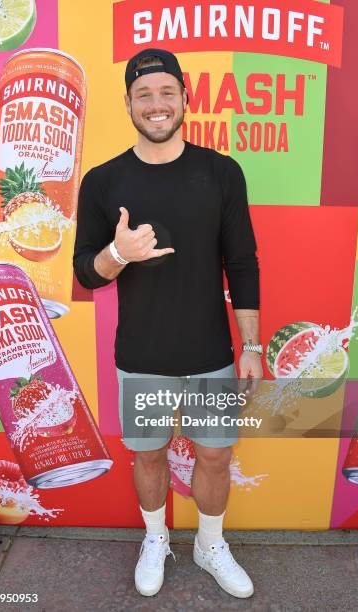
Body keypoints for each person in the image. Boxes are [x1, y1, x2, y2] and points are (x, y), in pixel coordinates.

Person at [73, 48, 263, 599]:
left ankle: (208, 544)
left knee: (214, 454)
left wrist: (250, 343)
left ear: (185, 98)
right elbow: (86, 272)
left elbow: (243, 261)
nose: (156, 105)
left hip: (212, 355)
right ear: (128, 104)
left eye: (166, 93)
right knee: (150, 454)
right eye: (143, 95)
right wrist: (118, 252)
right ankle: (155, 538)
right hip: (143, 358)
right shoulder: (103, 181)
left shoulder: (221, 171)